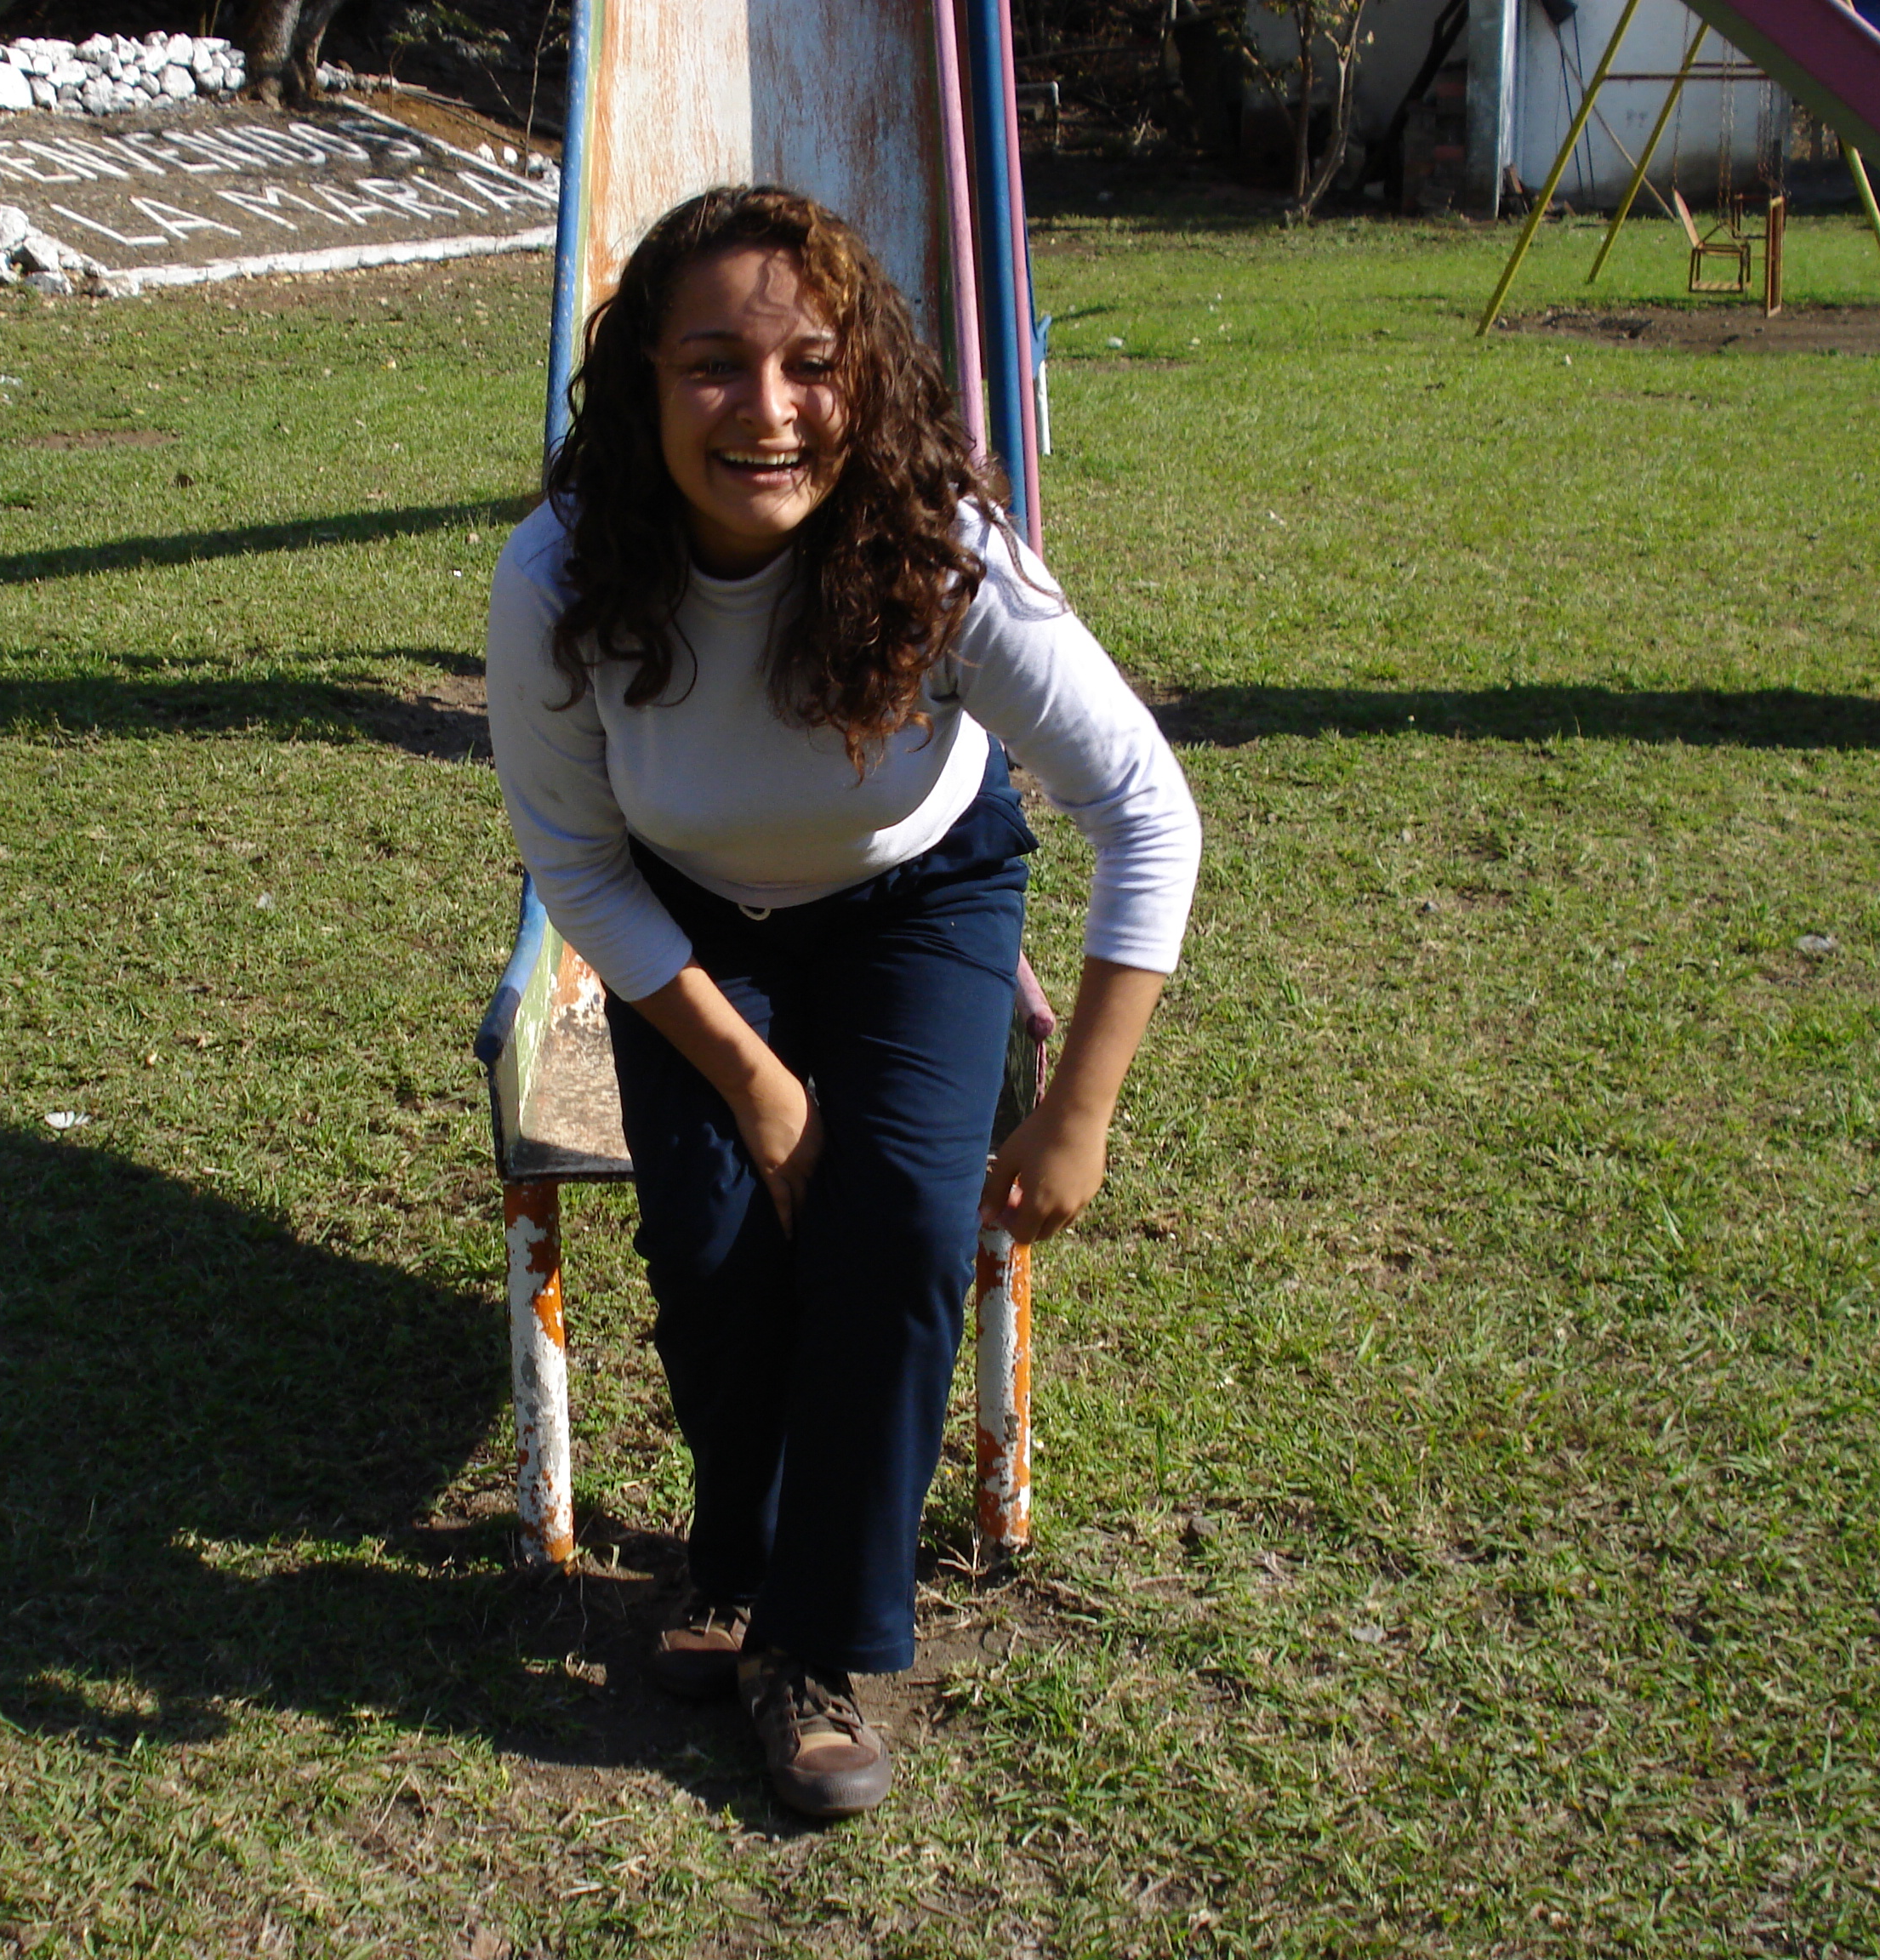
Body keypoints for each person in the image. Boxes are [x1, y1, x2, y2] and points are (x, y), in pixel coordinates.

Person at [486, 185, 1200, 1820]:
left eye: (812, 363)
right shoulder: (562, 573)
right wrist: (756, 1082)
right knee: (716, 1237)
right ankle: (735, 1559)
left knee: (893, 1224)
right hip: (682, 910)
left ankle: (806, 1643)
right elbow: (574, 862)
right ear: (645, 382)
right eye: (714, 365)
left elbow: (1148, 811)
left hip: (917, 896)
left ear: (864, 377)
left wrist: (1077, 1112)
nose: (768, 409)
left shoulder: (943, 551)